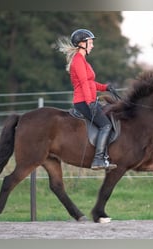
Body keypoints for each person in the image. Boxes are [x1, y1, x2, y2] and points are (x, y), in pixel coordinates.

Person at [57, 28, 117, 170]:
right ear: (82, 43)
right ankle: (98, 160)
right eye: (90, 42)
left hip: (88, 100)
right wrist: (90, 102)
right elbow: (83, 83)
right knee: (106, 125)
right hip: (83, 102)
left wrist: (105, 87)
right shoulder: (78, 60)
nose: (92, 45)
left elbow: (90, 83)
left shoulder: (82, 60)